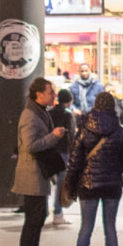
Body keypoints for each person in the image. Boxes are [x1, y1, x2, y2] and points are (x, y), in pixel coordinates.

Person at [66, 92, 123, 246]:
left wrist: (70, 185)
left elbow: (75, 160)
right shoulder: (120, 130)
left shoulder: (84, 128)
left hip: (88, 185)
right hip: (112, 185)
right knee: (110, 227)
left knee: (86, 227)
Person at [14, 78, 66, 246]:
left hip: (39, 173)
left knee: (39, 217)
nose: (54, 95)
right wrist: (53, 136)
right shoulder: (30, 116)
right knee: (33, 220)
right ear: (39, 94)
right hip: (31, 174)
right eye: (50, 92)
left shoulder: (39, 112)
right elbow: (30, 146)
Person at [49, 89, 77, 225]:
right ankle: (58, 213)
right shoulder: (68, 114)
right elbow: (71, 135)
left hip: (51, 150)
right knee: (61, 182)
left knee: (48, 181)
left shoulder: (50, 113)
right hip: (63, 151)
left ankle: (49, 212)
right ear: (69, 101)